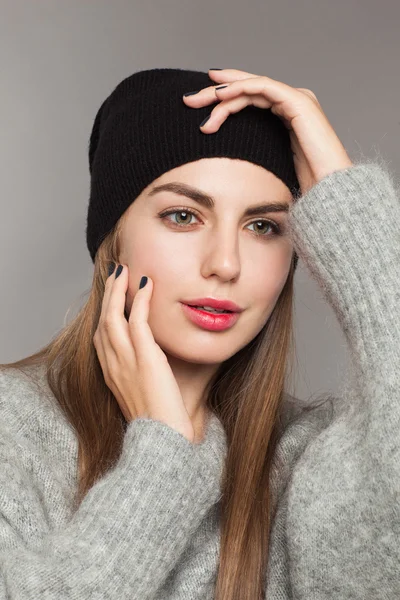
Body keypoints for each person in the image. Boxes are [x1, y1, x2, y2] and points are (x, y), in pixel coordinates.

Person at [0, 67, 398, 600]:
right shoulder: (14, 430)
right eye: (183, 215)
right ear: (112, 241)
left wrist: (353, 213)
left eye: (264, 227)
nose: (226, 264)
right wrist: (162, 460)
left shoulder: (311, 459)